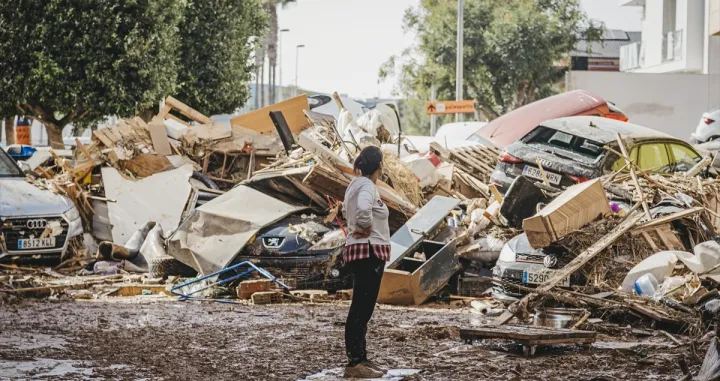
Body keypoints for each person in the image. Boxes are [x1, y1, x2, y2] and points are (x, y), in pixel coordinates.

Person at [342, 146, 391, 379]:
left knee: (362, 308)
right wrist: (367, 226)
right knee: (362, 308)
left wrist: (361, 225)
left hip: (363, 251)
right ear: (379, 165)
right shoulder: (367, 186)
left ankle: (361, 357)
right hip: (368, 252)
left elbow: (346, 211)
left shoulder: (356, 184)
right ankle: (355, 361)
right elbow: (362, 211)